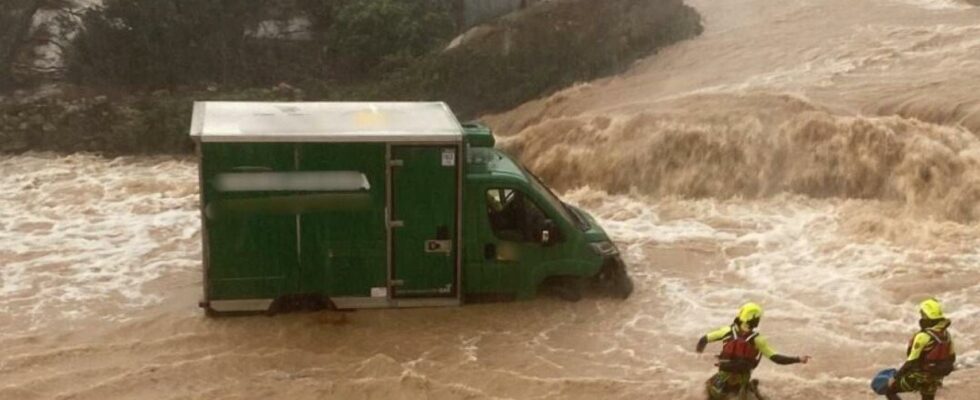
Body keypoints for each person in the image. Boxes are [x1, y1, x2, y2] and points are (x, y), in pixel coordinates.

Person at [696, 302, 811, 399]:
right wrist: (798, 359)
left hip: (721, 380)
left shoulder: (725, 331)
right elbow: (776, 358)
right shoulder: (758, 340)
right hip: (741, 382)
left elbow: (703, 340)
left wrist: (697, 356)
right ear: (755, 320)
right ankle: (752, 388)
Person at [885, 298, 956, 400]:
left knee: (889, 390)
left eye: (922, 314)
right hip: (934, 378)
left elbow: (911, 361)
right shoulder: (946, 335)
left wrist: (895, 377)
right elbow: (952, 357)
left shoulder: (923, 336)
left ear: (926, 316)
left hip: (920, 376)